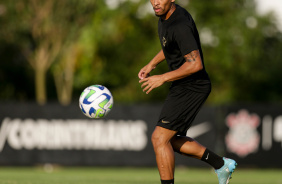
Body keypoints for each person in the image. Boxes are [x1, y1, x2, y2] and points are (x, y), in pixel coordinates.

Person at [138, 1, 237, 184]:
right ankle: (220, 164)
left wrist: (162, 77)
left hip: (193, 86)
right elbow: (171, 45)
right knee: (170, 140)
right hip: (182, 85)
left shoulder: (180, 23)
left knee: (159, 138)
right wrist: (152, 64)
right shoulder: (164, 15)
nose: (155, 2)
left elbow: (195, 64)